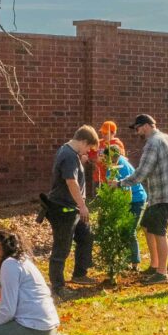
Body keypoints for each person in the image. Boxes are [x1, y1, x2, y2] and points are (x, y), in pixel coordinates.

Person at [112, 114, 168, 285]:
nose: (137, 132)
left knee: (159, 231)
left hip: (163, 195)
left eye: (137, 128)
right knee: (146, 225)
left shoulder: (152, 144)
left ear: (145, 126)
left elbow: (142, 173)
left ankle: (162, 273)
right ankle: (154, 265)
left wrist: (120, 184)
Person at [44, 124, 99, 298]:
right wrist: (82, 205)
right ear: (83, 141)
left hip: (72, 208)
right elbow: (71, 182)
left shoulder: (71, 153)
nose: (88, 151)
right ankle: (58, 286)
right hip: (62, 208)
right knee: (62, 247)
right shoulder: (68, 155)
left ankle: (79, 274)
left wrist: (80, 162)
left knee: (86, 235)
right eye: (89, 147)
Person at [104, 144, 147, 270]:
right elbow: (109, 183)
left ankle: (135, 263)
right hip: (123, 200)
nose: (109, 161)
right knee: (122, 230)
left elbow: (126, 188)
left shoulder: (122, 166)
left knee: (129, 230)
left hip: (135, 200)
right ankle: (124, 261)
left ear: (116, 157)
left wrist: (121, 204)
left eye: (111, 158)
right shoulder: (111, 165)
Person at [92, 120, 127, 186]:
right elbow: (90, 155)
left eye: (105, 133)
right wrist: (95, 159)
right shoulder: (99, 143)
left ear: (113, 133)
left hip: (110, 178)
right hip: (98, 177)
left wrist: (104, 160)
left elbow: (119, 161)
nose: (103, 135)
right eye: (102, 133)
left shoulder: (117, 144)